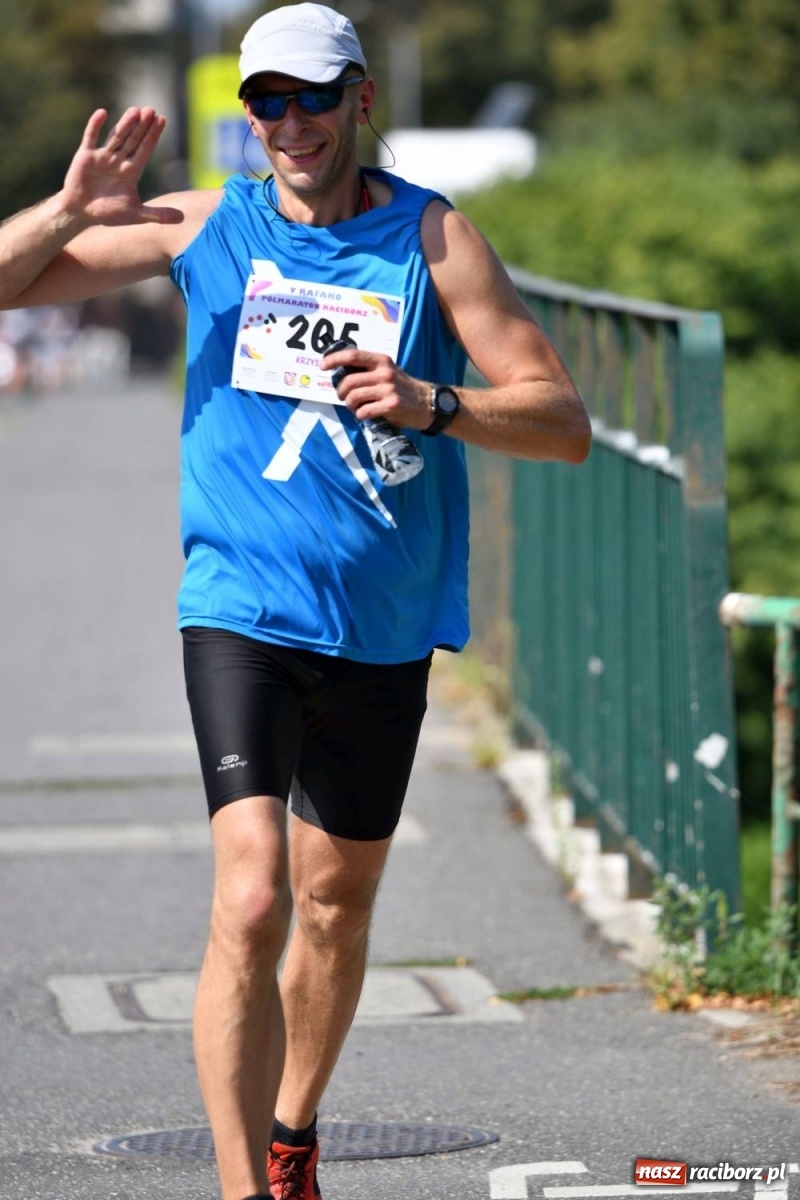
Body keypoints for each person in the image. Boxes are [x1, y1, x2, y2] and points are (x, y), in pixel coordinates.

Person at [0, 5, 591, 1198]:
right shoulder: (213, 223)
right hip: (238, 607)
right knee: (256, 890)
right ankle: (240, 1188)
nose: (288, 124)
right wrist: (70, 210)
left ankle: (291, 1135)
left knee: (332, 905)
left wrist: (437, 403)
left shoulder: (432, 240)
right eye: (264, 102)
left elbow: (562, 421)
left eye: (310, 98)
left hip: (380, 621)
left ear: (358, 98)